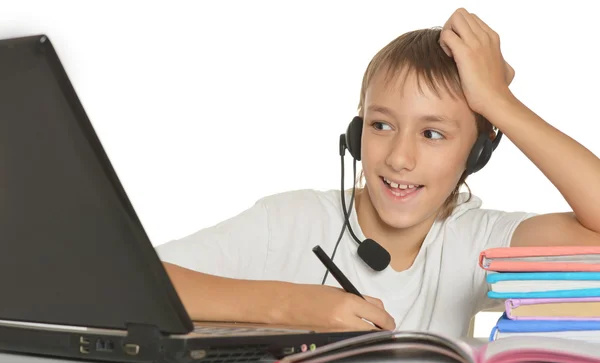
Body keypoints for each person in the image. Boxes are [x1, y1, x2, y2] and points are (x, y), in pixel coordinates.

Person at [155, 8, 600, 338]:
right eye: (381, 125)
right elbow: (139, 281)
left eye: (432, 133)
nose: (399, 158)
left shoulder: (477, 241)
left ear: (477, 153)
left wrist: (500, 104)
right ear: (355, 131)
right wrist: (288, 304)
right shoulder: (291, 221)